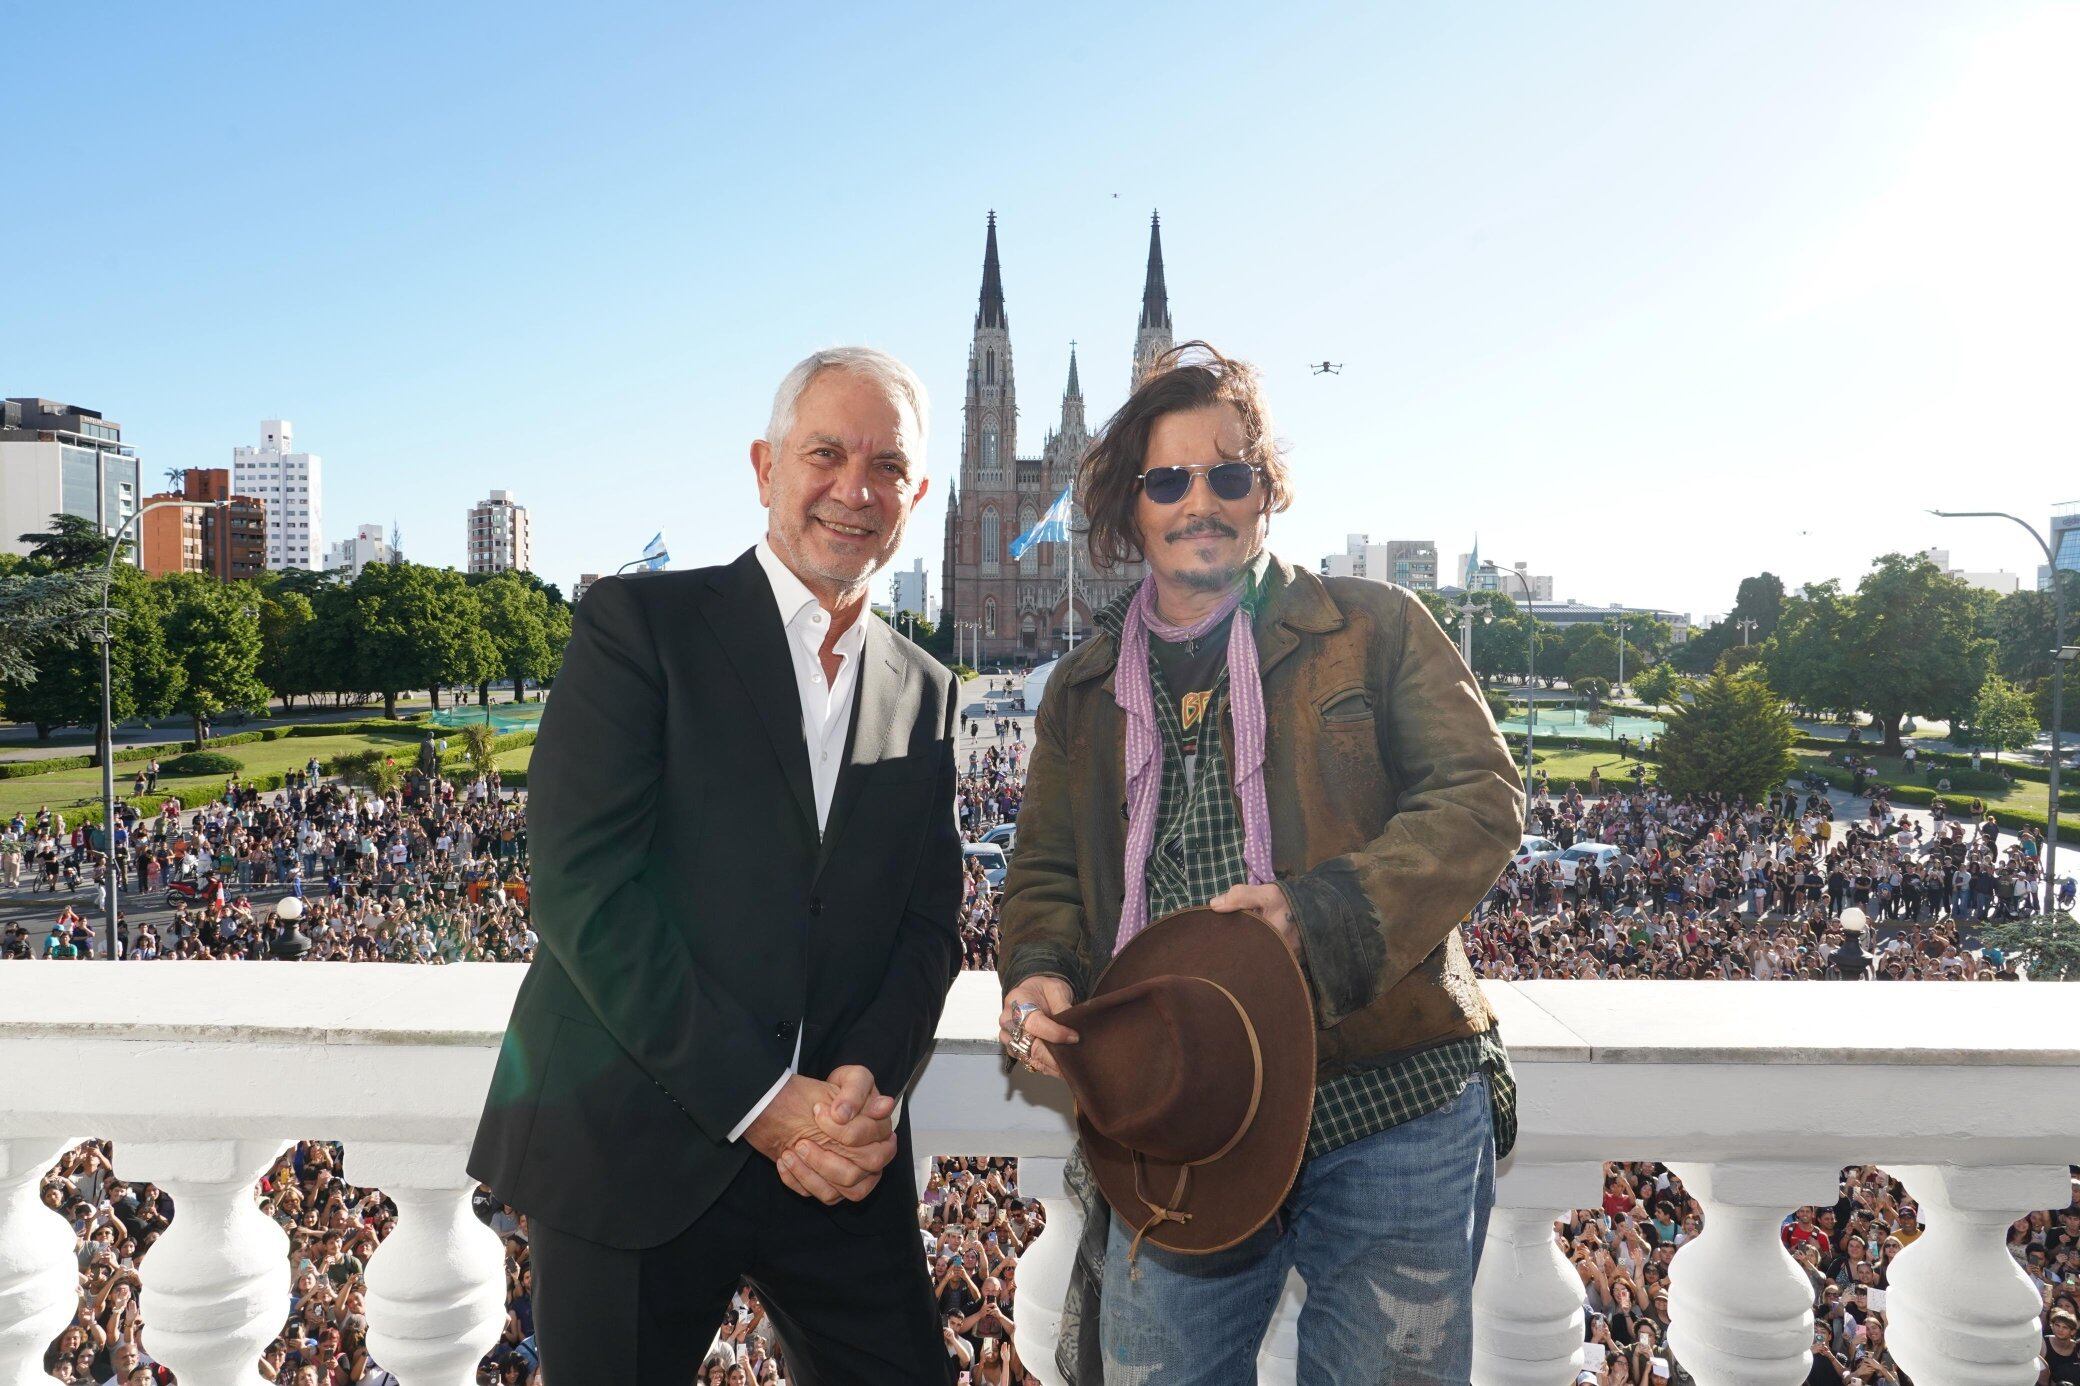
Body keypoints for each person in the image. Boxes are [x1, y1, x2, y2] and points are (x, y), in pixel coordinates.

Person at [997, 343, 1524, 1384]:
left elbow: (1479, 800)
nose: (1201, 501)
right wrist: (1042, 973)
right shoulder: (1083, 688)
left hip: (1389, 1101)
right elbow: (1047, 872)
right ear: (1129, 508)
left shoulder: (1370, 626)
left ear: (1265, 492)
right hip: (1184, 1118)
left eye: (1228, 473)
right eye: (1167, 480)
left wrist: (1315, 918)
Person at [468, 346, 962, 1385]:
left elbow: (925, 923)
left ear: (916, 494)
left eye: (886, 467)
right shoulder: (639, 625)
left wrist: (862, 1087)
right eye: (825, 452)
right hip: (632, 1147)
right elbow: (582, 888)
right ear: (765, 465)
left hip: (837, 1162)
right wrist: (758, 1100)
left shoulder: (927, 687)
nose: (853, 489)